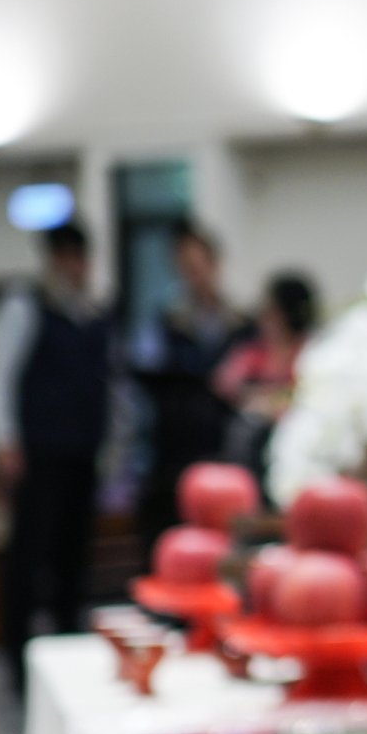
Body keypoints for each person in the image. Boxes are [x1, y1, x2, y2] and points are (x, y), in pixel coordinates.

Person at [0, 222, 112, 696]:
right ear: (54, 259)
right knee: (30, 557)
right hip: (40, 453)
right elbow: (0, 376)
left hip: (83, 450)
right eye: (68, 258)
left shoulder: (93, 312)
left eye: (82, 258)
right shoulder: (26, 305)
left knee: (73, 560)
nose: (76, 268)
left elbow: (106, 384)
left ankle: (67, 650)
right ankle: (19, 660)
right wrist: (5, 439)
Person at [131, 221, 242, 558]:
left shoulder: (238, 323)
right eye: (185, 268)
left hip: (223, 448)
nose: (193, 275)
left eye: (198, 265)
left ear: (214, 264)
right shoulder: (164, 322)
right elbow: (143, 377)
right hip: (175, 453)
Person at [214, 270, 317, 479]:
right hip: (256, 432)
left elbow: (312, 391)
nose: (264, 315)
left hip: (295, 434)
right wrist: (255, 397)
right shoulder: (256, 350)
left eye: (272, 309)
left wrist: (275, 402)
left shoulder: (310, 351)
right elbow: (223, 381)